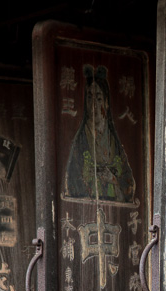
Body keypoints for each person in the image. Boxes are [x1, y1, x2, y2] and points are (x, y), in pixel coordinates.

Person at [64, 64, 135, 203]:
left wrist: (113, 180)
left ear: (106, 103)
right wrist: (90, 178)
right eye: (90, 98)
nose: (94, 104)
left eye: (98, 98)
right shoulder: (80, 140)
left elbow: (129, 183)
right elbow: (72, 181)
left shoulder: (113, 141)